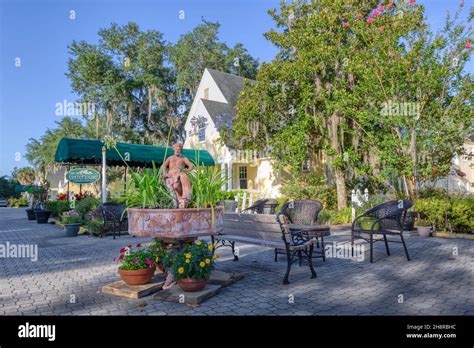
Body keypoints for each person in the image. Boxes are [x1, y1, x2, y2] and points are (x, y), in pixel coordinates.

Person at [162, 143, 193, 208]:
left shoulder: (184, 158)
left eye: (179, 149)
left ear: (181, 150)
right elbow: (164, 166)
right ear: (174, 149)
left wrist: (185, 171)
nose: (177, 150)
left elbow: (191, 166)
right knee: (174, 186)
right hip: (170, 176)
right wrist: (165, 173)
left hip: (179, 176)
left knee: (177, 184)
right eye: (176, 149)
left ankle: (183, 199)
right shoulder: (170, 158)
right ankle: (178, 201)